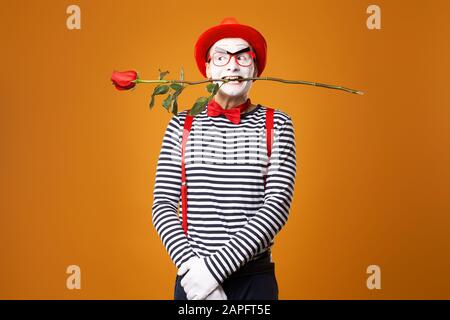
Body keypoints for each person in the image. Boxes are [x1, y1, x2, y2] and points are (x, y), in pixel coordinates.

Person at [152, 17, 297, 300]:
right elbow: (163, 204)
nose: (232, 65)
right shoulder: (181, 126)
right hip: (192, 278)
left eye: (243, 57)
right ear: (207, 69)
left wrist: (212, 272)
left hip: (254, 282)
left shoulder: (276, 123)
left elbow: (277, 205)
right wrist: (194, 270)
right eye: (221, 57)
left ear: (255, 68)